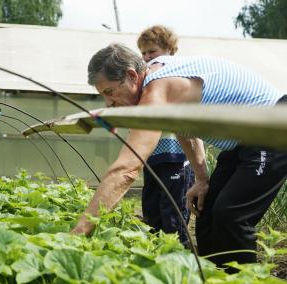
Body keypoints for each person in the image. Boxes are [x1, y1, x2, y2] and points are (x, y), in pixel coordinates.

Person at [71, 43, 287, 271]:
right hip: (242, 142)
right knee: (206, 214)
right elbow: (183, 128)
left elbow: (127, 169)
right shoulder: (155, 72)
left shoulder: (157, 90)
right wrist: (201, 180)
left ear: (132, 75)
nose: (108, 103)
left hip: (273, 128)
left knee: (231, 215)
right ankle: (213, 276)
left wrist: (79, 231)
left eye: (110, 92)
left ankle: (245, 278)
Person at [136, 25, 194, 246]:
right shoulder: (148, 76)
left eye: (152, 51)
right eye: (143, 53)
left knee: (173, 213)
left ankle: (177, 255)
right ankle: (154, 256)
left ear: (169, 49)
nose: (147, 57)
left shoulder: (171, 68)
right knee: (151, 208)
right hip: (153, 156)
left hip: (176, 156)